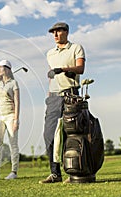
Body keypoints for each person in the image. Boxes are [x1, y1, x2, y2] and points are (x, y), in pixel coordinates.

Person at [39, 22, 86, 183]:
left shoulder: (76, 48)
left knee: (71, 134)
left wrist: (63, 69)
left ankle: (75, 172)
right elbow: (52, 76)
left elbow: (80, 68)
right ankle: (55, 173)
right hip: (53, 97)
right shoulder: (50, 53)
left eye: (58, 31)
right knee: (49, 134)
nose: (55, 35)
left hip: (70, 94)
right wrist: (49, 94)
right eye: (53, 32)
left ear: (66, 32)